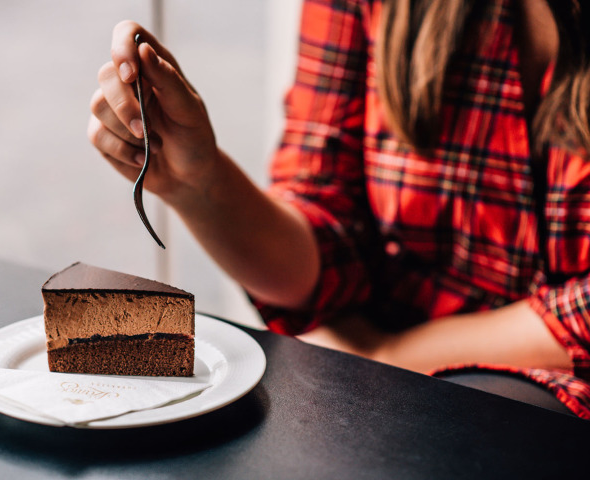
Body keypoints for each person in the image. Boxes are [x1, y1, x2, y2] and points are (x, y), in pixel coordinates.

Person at [87, 0, 590, 418]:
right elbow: (324, 233)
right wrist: (198, 184)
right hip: (375, 382)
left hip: (400, 378)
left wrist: (385, 358)